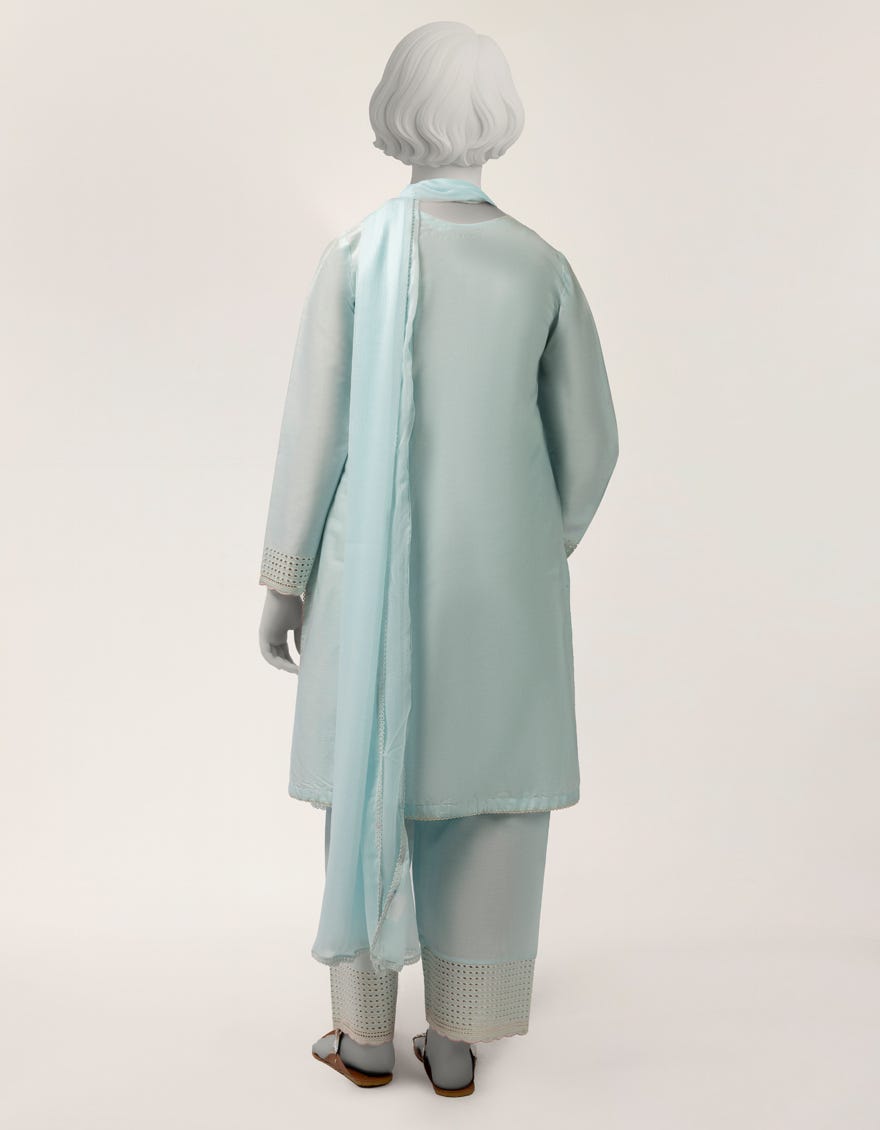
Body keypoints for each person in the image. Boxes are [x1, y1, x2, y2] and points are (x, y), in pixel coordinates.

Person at [257, 21, 618, 1097]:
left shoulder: (355, 258)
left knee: (371, 772)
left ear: (393, 113)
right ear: (498, 122)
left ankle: (364, 1033)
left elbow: (313, 436)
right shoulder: (540, 266)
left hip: (367, 580)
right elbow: (591, 444)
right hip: (500, 591)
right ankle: (457, 1039)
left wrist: (285, 578)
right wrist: (534, 540)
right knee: (488, 800)